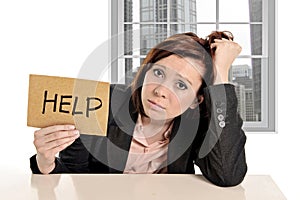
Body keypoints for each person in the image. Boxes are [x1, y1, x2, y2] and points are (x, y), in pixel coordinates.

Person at [30, 31, 247, 187]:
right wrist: (46, 161)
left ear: (195, 100)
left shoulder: (195, 123)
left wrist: (221, 76)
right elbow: (73, 180)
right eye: (159, 73)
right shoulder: (100, 103)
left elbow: (228, 175)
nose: (160, 91)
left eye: (181, 85)